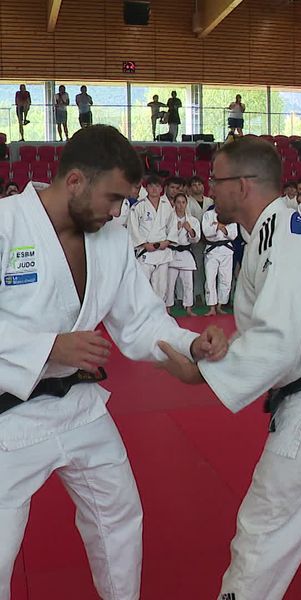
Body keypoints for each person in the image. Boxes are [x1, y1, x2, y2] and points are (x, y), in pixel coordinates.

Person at [0, 125, 227, 600]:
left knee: (119, 517)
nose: (118, 211)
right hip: (10, 417)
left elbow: (142, 321)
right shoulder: (6, 225)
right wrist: (48, 347)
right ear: (77, 181)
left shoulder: (112, 239)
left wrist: (189, 348)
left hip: (81, 405)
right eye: (113, 198)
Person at [158, 136, 301, 600]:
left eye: (215, 181)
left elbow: (280, 339)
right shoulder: (269, 232)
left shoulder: (287, 235)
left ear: (242, 185)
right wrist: (229, 344)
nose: (209, 189)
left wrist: (200, 374)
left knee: (262, 530)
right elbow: (278, 323)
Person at [128, 174, 175, 302]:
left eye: (157, 186)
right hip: (146, 251)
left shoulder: (167, 207)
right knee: (142, 286)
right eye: (151, 186)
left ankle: (159, 314)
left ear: (161, 189)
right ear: (146, 188)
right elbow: (133, 228)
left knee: (161, 287)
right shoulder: (138, 206)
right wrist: (143, 244)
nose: (154, 189)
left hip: (162, 251)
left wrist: (168, 241)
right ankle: (142, 314)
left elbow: (172, 225)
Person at [166, 193, 200, 317]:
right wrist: (176, 228)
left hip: (186, 254)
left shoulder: (193, 220)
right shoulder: (168, 220)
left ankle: (189, 308)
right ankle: (168, 308)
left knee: (188, 284)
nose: (180, 205)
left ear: (186, 204)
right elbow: (165, 237)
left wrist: (190, 230)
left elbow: (196, 239)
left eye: (183, 202)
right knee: (169, 284)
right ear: (174, 203)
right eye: (178, 202)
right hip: (172, 253)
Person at [202, 204, 238, 316]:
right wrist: (217, 227)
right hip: (211, 251)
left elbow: (233, 234)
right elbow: (206, 232)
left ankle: (220, 305)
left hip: (226, 251)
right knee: (210, 279)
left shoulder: (230, 216)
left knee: (226, 279)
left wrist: (220, 227)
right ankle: (211, 307)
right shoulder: (208, 214)